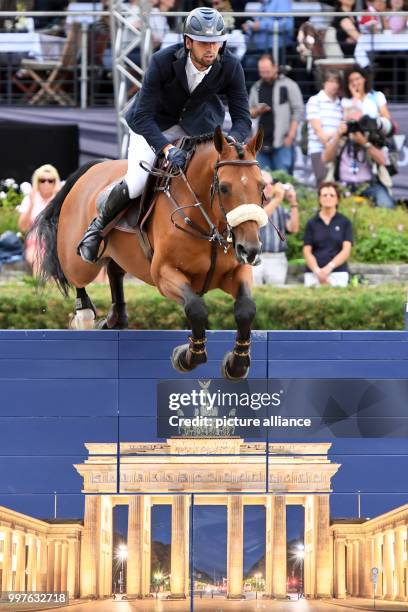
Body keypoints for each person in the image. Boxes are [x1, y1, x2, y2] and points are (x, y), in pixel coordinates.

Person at [78, 6, 252, 264]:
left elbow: (242, 119)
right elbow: (142, 117)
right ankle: (97, 228)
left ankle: (238, 240)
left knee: (222, 177)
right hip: (152, 124)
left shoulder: (231, 66)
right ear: (188, 41)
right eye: (204, 43)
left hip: (196, 126)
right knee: (137, 181)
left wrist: (231, 144)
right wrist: (167, 150)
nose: (211, 49)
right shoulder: (162, 61)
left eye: (216, 42)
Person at [321, 104, 395, 208]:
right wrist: (337, 136)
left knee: (387, 205)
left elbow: (383, 161)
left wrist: (365, 143)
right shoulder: (340, 138)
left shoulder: (371, 136)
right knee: (326, 202)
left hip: (368, 185)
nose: (355, 127)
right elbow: (326, 159)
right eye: (351, 123)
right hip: (342, 185)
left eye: (358, 123)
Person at [248, 54, 304, 174]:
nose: (265, 74)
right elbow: (249, 112)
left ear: (275, 67)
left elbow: (298, 111)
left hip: (282, 142)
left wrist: (290, 136)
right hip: (261, 144)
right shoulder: (256, 87)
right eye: (262, 72)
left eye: (267, 71)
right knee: (262, 183)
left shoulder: (289, 85)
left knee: (283, 182)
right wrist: (258, 111)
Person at [252, 171, 299, 286]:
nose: (268, 187)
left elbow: (293, 229)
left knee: (276, 293)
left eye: (270, 183)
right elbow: (259, 219)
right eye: (264, 184)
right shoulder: (251, 206)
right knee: (253, 293)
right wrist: (277, 199)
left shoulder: (280, 209)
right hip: (254, 257)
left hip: (277, 258)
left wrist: (293, 203)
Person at [303, 181, 353, 287]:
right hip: (314, 274)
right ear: (319, 199)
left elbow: (346, 250)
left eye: (332, 195)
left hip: (338, 273)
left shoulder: (345, 222)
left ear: (337, 199)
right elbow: (307, 251)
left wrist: (329, 268)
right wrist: (318, 271)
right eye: (324, 195)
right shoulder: (311, 223)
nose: (328, 197)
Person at [18, 164, 61, 275]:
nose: (46, 183)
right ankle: (39, 290)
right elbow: (22, 227)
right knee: (38, 258)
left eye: (50, 180)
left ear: (55, 183)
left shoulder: (60, 200)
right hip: (36, 241)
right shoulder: (30, 198)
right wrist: (31, 204)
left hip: (57, 242)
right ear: (37, 182)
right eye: (42, 180)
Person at [306, 70, 343, 185]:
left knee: (335, 186)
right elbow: (318, 131)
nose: (334, 85)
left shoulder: (340, 104)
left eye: (336, 82)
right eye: (330, 81)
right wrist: (334, 136)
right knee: (323, 184)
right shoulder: (314, 100)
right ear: (324, 83)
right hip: (318, 149)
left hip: (337, 150)